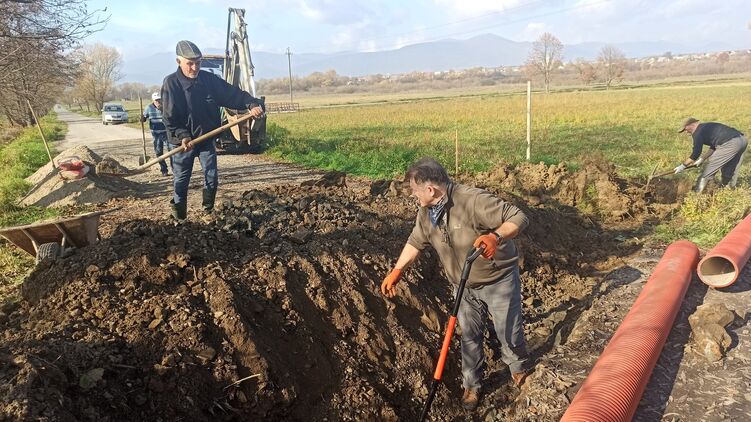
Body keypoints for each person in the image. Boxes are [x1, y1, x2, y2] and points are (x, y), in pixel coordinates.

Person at [380, 157, 531, 411]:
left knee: (508, 332)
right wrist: (397, 271)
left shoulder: (472, 200)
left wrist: (495, 237)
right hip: (463, 285)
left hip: (498, 280)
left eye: (414, 190)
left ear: (430, 189)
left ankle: (518, 369)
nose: (412, 195)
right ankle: (472, 384)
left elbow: (518, 216)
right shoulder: (426, 213)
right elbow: (415, 241)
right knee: (469, 335)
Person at [161, 40, 264, 220]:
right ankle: (179, 218)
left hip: (206, 138)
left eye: (198, 63)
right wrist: (183, 135)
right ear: (178, 62)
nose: (195, 68)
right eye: (190, 63)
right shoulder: (171, 83)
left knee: (211, 176)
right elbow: (169, 117)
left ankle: (208, 211)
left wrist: (251, 103)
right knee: (181, 179)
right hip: (182, 143)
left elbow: (231, 94)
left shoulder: (208, 80)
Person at [674, 117, 747, 193]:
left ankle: (697, 194)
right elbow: (715, 145)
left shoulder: (698, 132)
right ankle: (728, 189)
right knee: (730, 167)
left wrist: (683, 166)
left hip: (730, 144)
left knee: (710, 169)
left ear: (691, 124)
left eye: (685, 129)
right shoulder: (707, 126)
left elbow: (696, 153)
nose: (686, 132)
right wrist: (702, 159)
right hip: (742, 140)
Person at [141, 92, 171, 176]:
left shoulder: (165, 107)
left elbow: (171, 116)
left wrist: (162, 110)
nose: (158, 101)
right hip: (156, 134)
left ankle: (175, 169)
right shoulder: (149, 108)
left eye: (159, 99)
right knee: (158, 152)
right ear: (153, 100)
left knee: (171, 151)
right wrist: (142, 118)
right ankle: (164, 170)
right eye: (156, 100)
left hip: (166, 133)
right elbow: (144, 117)